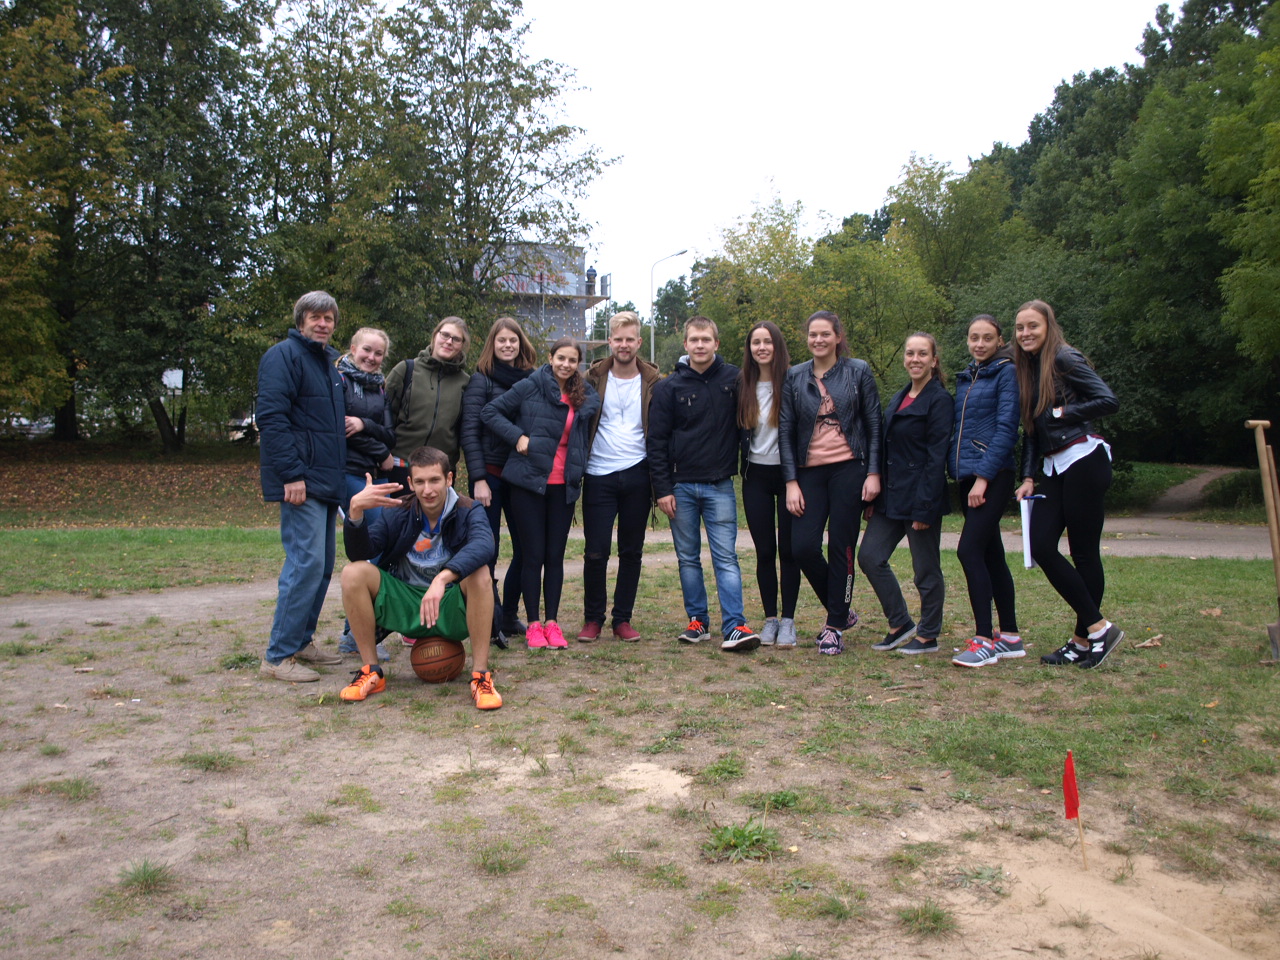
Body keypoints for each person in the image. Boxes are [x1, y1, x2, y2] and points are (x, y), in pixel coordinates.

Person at [339, 446, 501, 708]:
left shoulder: (469, 509)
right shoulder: (397, 511)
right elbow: (361, 552)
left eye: (435, 480)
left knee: (481, 573)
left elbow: (484, 545)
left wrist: (442, 579)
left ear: (449, 479)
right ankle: (371, 671)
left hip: (449, 603)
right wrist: (355, 511)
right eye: (420, 482)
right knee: (353, 572)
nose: (428, 490)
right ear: (410, 483)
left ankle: (481, 676)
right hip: (408, 603)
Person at [1013, 299, 1124, 668]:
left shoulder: (1064, 357)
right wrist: (1028, 476)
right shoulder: (1028, 369)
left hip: (1083, 460)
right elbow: (1032, 431)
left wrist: (1062, 412)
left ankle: (1086, 637)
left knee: (1084, 552)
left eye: (1033, 326)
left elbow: (1107, 400)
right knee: (1042, 545)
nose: (1025, 333)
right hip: (1052, 467)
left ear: (1049, 327)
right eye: (1020, 328)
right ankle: (1095, 630)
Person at [648, 317, 760, 653]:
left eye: (706, 339)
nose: (700, 345)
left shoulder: (735, 380)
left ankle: (735, 625)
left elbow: (749, 425)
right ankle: (697, 622)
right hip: (680, 487)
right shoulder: (668, 388)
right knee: (688, 559)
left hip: (720, 485)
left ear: (716, 343)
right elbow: (656, 442)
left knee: (726, 557)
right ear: (686, 344)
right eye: (694, 339)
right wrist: (662, 489)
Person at [481, 337, 600, 649]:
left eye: (572, 360)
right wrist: (517, 436)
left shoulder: (584, 394)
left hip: (564, 484)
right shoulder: (531, 384)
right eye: (561, 358)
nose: (565, 364)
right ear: (550, 357)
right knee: (533, 555)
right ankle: (533, 624)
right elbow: (490, 412)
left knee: (555, 556)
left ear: (578, 364)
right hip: (528, 482)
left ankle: (552, 623)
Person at [257, 291, 347, 682]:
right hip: (301, 481)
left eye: (329, 318)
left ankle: (301, 642)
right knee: (304, 564)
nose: (323, 324)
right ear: (301, 321)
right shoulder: (283, 357)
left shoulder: (328, 364)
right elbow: (272, 418)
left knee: (322, 566)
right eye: (315, 317)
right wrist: (291, 474)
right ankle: (278, 656)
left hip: (326, 482)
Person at [780, 310, 882, 656]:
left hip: (850, 469)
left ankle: (834, 626)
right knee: (802, 547)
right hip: (809, 472)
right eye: (813, 334)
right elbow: (786, 431)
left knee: (842, 546)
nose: (818, 340)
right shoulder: (794, 376)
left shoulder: (858, 371)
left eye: (825, 334)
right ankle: (841, 608)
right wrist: (791, 481)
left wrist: (873, 473)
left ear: (838, 337)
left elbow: (874, 424)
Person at [859, 333, 952, 655]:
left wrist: (925, 507)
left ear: (934, 361)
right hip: (890, 496)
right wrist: (874, 497)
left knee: (925, 569)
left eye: (922, 354)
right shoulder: (900, 396)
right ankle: (900, 623)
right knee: (870, 557)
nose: (915, 359)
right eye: (910, 353)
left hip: (920, 498)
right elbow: (888, 449)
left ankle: (928, 635)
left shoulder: (939, 400)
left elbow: (936, 458)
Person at [579, 311, 660, 643]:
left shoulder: (654, 381)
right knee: (595, 551)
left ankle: (622, 619)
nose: (624, 345)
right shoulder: (591, 378)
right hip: (598, 473)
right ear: (609, 341)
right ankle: (593, 619)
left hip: (638, 473)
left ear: (638, 342)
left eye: (630, 339)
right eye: (618, 339)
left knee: (631, 551)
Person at [948, 315, 1025, 668]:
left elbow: (1007, 428)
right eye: (974, 337)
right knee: (992, 554)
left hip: (992, 475)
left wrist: (983, 478)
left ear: (1000, 341)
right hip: (968, 474)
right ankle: (1009, 636)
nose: (979, 344)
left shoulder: (1006, 372)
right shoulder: (969, 376)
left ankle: (983, 640)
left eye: (987, 338)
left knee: (968, 550)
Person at [460, 317, 537, 644]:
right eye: (502, 340)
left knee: (526, 548)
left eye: (513, 340)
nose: (508, 345)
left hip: (521, 476)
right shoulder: (481, 380)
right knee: (486, 550)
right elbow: (470, 432)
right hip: (489, 476)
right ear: (492, 344)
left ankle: (508, 616)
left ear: (521, 344)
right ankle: (488, 621)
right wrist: (478, 478)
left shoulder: (533, 379)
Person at [738, 321, 804, 648]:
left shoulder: (794, 381)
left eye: (767, 342)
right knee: (765, 552)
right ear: (749, 349)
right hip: (756, 477)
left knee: (789, 551)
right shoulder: (742, 384)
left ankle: (788, 621)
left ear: (777, 346)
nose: (762, 348)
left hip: (790, 476)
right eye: (756, 343)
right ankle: (770, 619)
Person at [335, 326, 396, 661]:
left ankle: (356, 631)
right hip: (346, 472)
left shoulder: (380, 386)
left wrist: (363, 425)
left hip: (372, 474)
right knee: (370, 547)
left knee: (380, 546)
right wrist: (380, 450)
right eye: (367, 351)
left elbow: (389, 433)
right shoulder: (339, 381)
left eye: (378, 353)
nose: (372, 358)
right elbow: (339, 430)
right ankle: (355, 634)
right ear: (353, 348)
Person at [385, 316, 471, 475]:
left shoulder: (465, 383)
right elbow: (383, 415)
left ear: (462, 345)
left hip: (440, 470)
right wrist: (382, 453)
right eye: (445, 335)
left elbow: (465, 430)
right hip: (400, 465)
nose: (449, 342)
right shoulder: (406, 370)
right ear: (435, 335)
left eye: (456, 339)